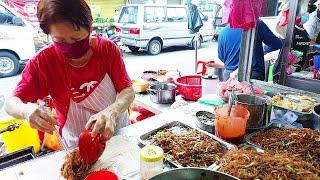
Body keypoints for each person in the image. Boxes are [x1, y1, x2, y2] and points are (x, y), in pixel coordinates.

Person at [4, 0, 135, 149]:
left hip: (117, 133)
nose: (69, 46)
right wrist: (25, 110)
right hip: (76, 144)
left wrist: (112, 111)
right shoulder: (43, 62)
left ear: (89, 27)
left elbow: (128, 92)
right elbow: (10, 104)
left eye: (76, 39)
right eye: (59, 40)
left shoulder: (107, 49)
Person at [218, 19, 283, 81]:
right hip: (252, 74)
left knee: (229, 92)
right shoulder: (257, 24)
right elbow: (277, 44)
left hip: (229, 75)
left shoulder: (223, 32)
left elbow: (221, 57)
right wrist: (263, 50)